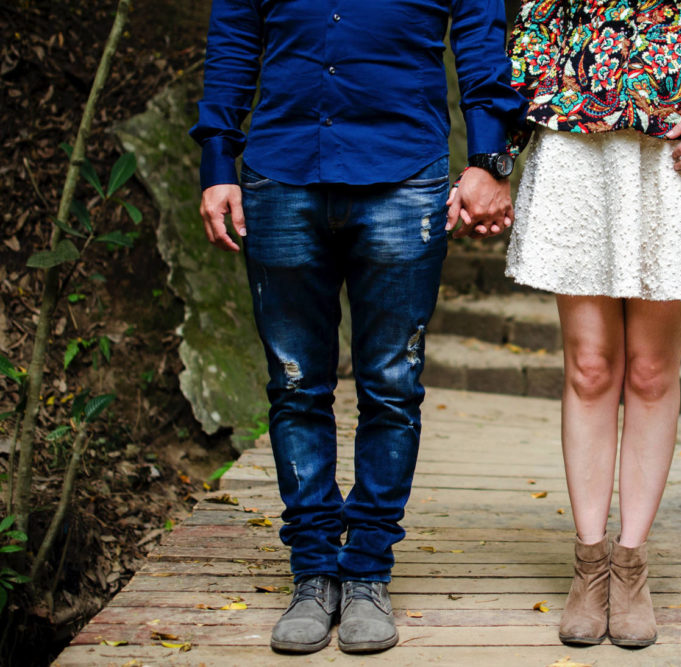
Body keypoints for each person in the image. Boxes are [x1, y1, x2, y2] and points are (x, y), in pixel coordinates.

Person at [189, 0, 525, 655]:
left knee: (392, 386)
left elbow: (480, 34)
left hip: (404, 171)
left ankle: (368, 570)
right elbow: (233, 35)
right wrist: (218, 162)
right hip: (280, 170)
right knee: (295, 385)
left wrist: (489, 157)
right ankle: (313, 570)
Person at [502, 0, 681, 649]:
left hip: (679, 146)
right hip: (578, 141)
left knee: (651, 371)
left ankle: (630, 566)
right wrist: (528, 120)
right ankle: (589, 565)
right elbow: (536, 22)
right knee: (589, 366)